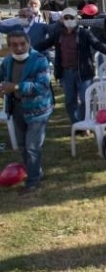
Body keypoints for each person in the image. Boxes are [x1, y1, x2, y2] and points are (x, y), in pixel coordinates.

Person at [34, 8, 106, 125]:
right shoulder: (58, 34)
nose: (69, 20)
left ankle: (85, 122)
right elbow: (44, 44)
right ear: (62, 20)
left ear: (76, 19)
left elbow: (96, 43)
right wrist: (29, 50)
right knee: (70, 101)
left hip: (84, 72)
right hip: (66, 72)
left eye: (71, 18)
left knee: (85, 99)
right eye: (66, 18)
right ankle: (77, 123)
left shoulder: (84, 33)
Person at [0, 31, 54, 194]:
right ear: (9, 47)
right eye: (14, 45)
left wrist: (16, 87)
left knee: (32, 146)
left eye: (22, 44)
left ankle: (33, 181)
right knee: (23, 145)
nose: (19, 47)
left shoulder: (39, 60)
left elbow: (42, 86)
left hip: (38, 110)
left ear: (28, 43)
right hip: (16, 108)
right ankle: (35, 172)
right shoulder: (8, 62)